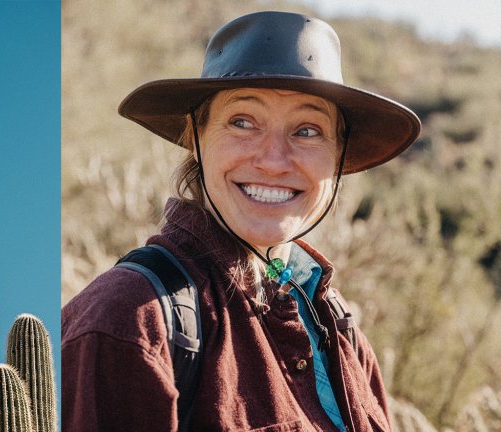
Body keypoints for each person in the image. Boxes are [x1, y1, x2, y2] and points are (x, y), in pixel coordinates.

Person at [62, 11, 420, 432]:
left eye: (307, 131)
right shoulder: (129, 319)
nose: (272, 161)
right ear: (196, 137)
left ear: (338, 156)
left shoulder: (339, 330)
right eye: (243, 122)